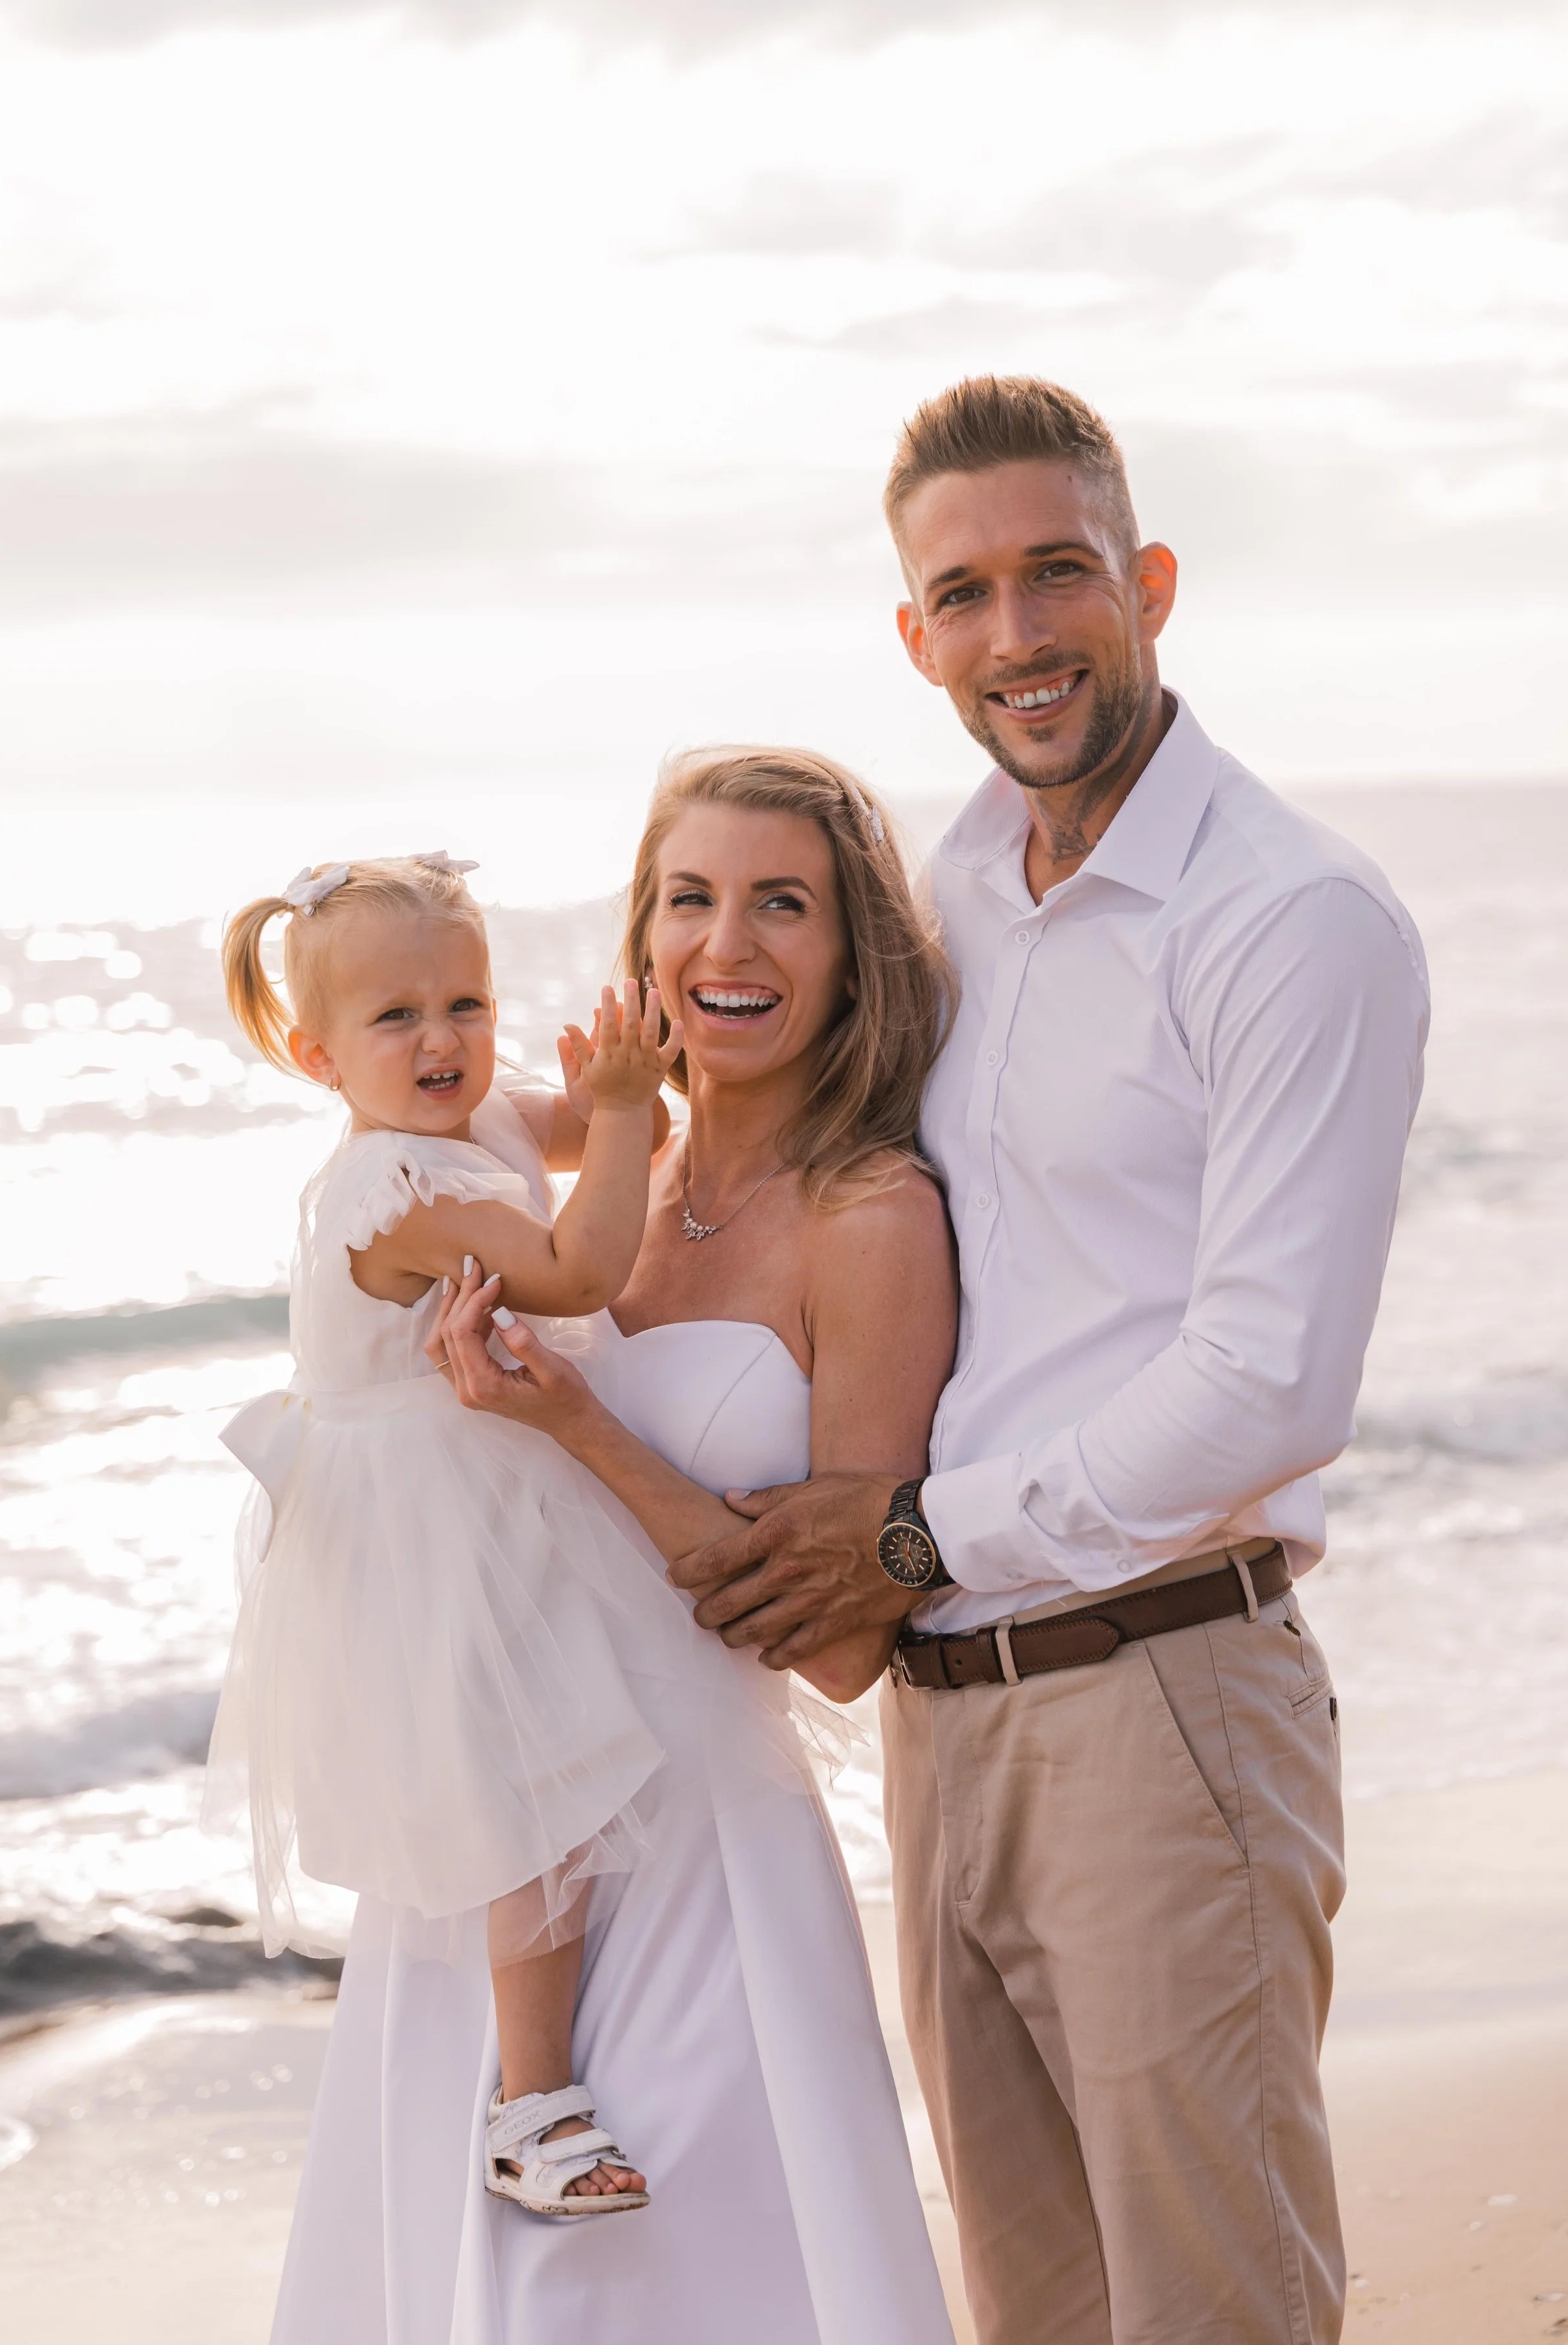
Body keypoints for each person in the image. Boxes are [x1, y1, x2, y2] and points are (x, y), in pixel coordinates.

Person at [667, 380, 1431, 2345]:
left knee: (1208, 2309)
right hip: (942, 1720)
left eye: (1058, 574)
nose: (1018, 634)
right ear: (913, 635)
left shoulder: (1290, 919)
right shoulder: (943, 901)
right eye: (966, 592)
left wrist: (912, 1532)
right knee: (1029, 2313)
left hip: (1159, 1691)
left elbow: (1267, 1379)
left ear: (1148, 582)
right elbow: (757, 1118)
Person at [285, 763, 961, 2343]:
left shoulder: (870, 1216)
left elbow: (849, 1646)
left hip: (700, 1858)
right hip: (496, 1827)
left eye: (781, 902)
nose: (726, 939)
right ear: (639, 940)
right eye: (689, 897)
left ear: (849, 951)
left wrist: (576, 1424)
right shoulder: (583, 1173)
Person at [208, 850, 693, 2215]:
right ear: (317, 1055)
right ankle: (531, 2105)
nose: (442, 1041)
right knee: (530, 1805)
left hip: (486, 1500)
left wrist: (630, 1082)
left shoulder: (465, 1130)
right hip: (427, 1541)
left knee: (562, 1774)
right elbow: (580, 1266)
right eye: (394, 1019)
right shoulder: (386, 1196)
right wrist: (611, 1114)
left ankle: (536, 2075)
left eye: (465, 1004)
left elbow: (618, 1141)